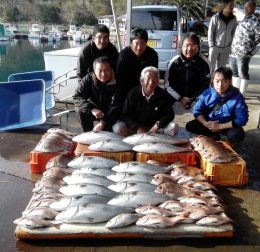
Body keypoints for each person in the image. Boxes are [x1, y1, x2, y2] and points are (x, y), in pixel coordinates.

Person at [186, 67, 248, 144]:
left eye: (224, 81)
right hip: (209, 123)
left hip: (227, 125)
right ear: (213, 81)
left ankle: (224, 140)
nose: (220, 85)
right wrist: (206, 123)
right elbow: (197, 111)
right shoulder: (207, 93)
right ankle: (213, 135)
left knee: (237, 135)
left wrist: (220, 126)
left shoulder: (237, 96)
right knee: (190, 126)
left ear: (230, 82)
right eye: (217, 81)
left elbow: (242, 119)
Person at [113, 66, 176, 137]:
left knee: (174, 127)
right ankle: (134, 141)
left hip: (155, 129)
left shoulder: (163, 94)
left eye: (154, 79)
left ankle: (155, 142)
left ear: (158, 81)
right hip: (136, 129)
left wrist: (158, 124)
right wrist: (137, 127)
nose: (151, 82)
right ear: (141, 81)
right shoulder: (132, 94)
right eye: (148, 78)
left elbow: (170, 114)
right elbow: (125, 115)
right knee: (118, 128)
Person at [73, 56, 122, 132]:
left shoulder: (118, 81)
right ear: (94, 71)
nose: (103, 74)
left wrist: (103, 122)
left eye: (107, 70)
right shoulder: (88, 78)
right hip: (95, 109)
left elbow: (116, 106)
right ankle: (87, 134)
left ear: (111, 69)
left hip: (111, 111)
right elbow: (77, 97)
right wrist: (91, 108)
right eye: (100, 71)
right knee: (81, 111)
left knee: (107, 131)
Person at [164, 32, 211, 110]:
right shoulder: (175, 62)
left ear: (198, 47)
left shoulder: (205, 63)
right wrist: (180, 98)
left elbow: (207, 86)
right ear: (181, 46)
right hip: (176, 97)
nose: (189, 49)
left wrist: (193, 98)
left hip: (196, 98)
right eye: (186, 46)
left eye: (193, 46)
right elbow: (167, 84)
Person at [229, 0, 260, 97]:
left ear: (253, 8)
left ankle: (241, 95)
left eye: (248, 7)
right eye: (245, 7)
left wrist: (250, 48)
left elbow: (259, 36)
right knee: (234, 72)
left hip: (244, 52)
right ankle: (235, 93)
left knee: (243, 73)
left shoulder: (255, 20)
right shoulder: (245, 18)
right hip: (234, 51)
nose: (245, 9)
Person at [116, 28, 158, 96]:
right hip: (126, 89)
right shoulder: (123, 55)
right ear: (131, 43)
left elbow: (153, 77)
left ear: (146, 43)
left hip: (145, 88)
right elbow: (120, 78)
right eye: (136, 43)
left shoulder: (152, 55)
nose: (139, 47)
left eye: (142, 43)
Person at [208, 0, 237, 73]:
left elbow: (234, 33)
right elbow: (210, 32)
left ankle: (218, 83)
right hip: (215, 47)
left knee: (221, 70)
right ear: (225, 5)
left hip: (226, 49)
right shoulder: (216, 17)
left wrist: (230, 46)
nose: (232, 7)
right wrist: (211, 46)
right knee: (210, 68)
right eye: (230, 5)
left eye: (233, 5)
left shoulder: (233, 19)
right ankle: (209, 83)